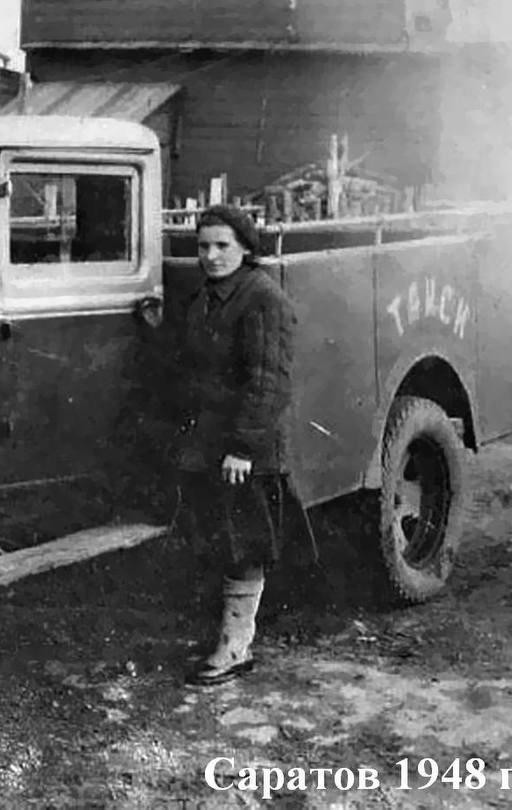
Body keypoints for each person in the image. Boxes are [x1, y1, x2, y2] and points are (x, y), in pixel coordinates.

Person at [167, 204, 306, 687]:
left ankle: (235, 648)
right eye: (204, 246)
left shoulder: (262, 299)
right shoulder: (209, 296)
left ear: (246, 247)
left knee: (243, 542)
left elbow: (268, 383)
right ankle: (223, 637)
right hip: (209, 444)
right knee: (218, 538)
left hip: (244, 451)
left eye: (223, 245)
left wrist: (243, 448)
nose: (211, 255)